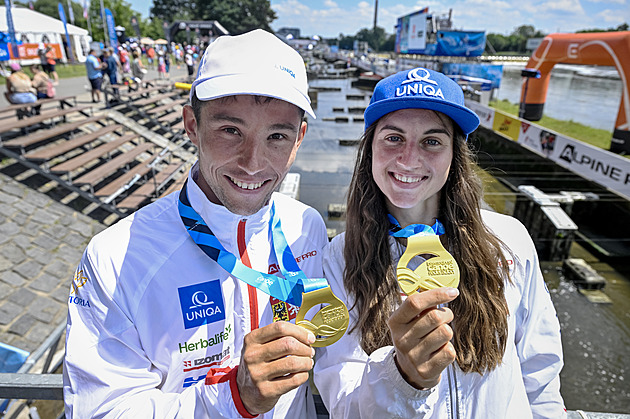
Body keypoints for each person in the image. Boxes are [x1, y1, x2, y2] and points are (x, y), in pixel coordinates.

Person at [63, 29, 328, 418]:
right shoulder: (114, 258)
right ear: (192, 124)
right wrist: (234, 398)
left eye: (276, 136)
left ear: (299, 138)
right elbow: (98, 412)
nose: (253, 163)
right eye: (231, 131)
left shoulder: (307, 225)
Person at [313, 67, 566, 417]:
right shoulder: (338, 257)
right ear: (370, 148)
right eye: (393, 137)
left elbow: (541, 374)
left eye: (432, 141)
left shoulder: (510, 240)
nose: (409, 159)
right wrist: (402, 379)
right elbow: (342, 402)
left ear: (455, 155)